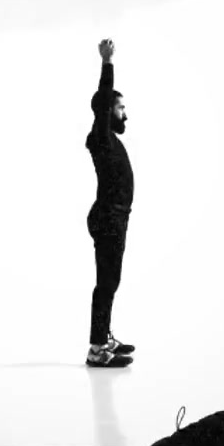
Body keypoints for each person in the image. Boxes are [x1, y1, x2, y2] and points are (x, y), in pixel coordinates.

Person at [85, 39, 136, 369]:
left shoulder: (109, 140)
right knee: (106, 284)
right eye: (120, 109)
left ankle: (103, 337)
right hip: (108, 219)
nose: (125, 114)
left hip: (114, 219)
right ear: (106, 112)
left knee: (110, 282)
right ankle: (96, 349)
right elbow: (104, 102)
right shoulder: (102, 137)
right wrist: (107, 63)